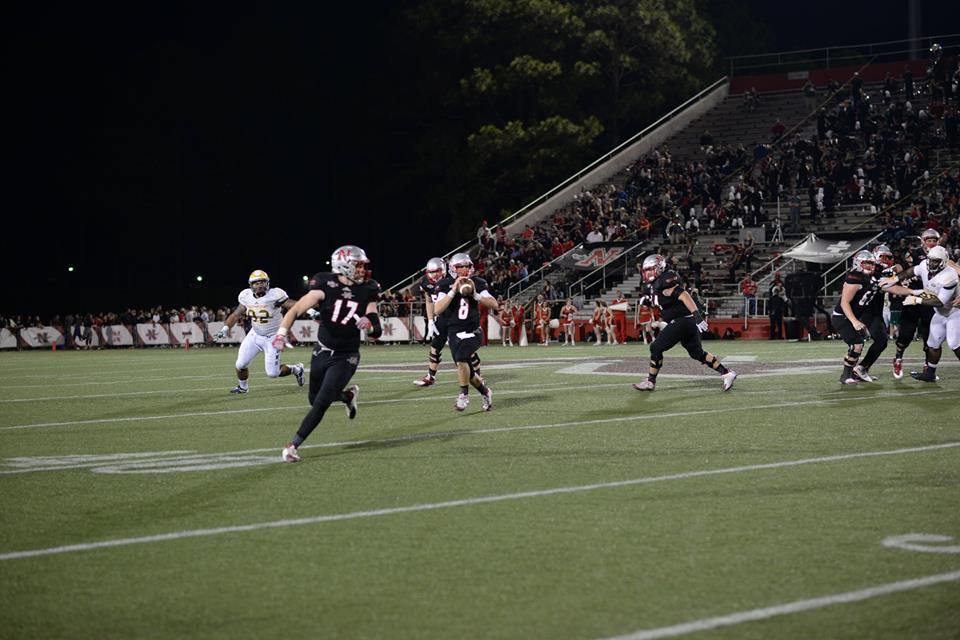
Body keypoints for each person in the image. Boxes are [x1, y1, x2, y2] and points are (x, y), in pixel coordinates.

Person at [271, 246, 382, 463]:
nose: (362, 270)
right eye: (358, 265)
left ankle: (293, 445)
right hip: (322, 349)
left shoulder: (368, 288)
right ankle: (347, 396)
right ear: (344, 265)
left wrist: (368, 324)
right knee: (314, 399)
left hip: (346, 355)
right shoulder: (324, 283)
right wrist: (281, 333)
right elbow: (295, 310)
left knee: (321, 402)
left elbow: (376, 328)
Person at [632, 254, 737, 392]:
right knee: (696, 353)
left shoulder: (665, 280)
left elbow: (683, 295)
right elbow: (662, 300)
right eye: (646, 270)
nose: (647, 273)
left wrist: (698, 316)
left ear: (659, 268)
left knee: (655, 348)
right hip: (686, 321)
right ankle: (727, 373)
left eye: (650, 269)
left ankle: (650, 381)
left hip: (682, 320)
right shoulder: (656, 284)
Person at [829, 251, 924, 384]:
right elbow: (844, 302)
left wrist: (913, 292)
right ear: (858, 263)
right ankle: (846, 376)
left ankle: (851, 374)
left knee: (859, 344)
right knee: (857, 344)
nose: (869, 266)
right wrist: (855, 321)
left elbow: (893, 288)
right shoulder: (854, 278)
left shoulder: (875, 276)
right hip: (842, 316)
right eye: (866, 263)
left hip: (853, 316)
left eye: (871, 263)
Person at [215, 270, 304, 394]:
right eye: (256, 283)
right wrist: (224, 330)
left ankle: (296, 369)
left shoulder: (275, 295)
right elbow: (235, 315)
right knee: (240, 364)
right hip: (255, 334)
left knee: (272, 373)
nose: (260, 285)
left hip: (273, 337)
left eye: (262, 282)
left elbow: (292, 305)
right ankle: (243, 387)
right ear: (251, 285)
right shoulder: (246, 296)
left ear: (267, 283)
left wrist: (309, 310)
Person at [432, 253, 498, 411]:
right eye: (461, 266)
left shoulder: (478, 283)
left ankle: (463, 395)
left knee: (462, 358)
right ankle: (486, 392)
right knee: (467, 371)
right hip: (454, 332)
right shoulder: (444, 283)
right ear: (453, 269)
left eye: (467, 266)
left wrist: (475, 295)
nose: (465, 269)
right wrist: (453, 291)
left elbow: (494, 304)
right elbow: (437, 309)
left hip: (473, 331)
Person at [412, 257, 449, 387]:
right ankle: (430, 376)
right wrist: (430, 321)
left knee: (464, 348)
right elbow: (429, 301)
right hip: (442, 318)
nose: (433, 275)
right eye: (431, 272)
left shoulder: (451, 280)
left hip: (455, 317)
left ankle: (478, 375)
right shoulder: (426, 282)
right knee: (435, 346)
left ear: (443, 270)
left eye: (436, 271)